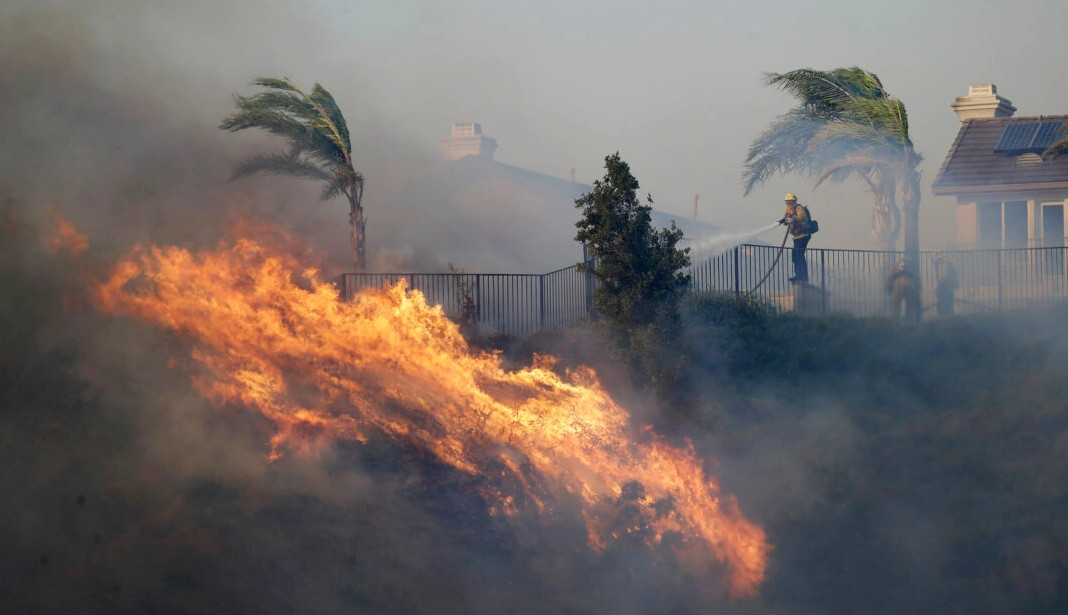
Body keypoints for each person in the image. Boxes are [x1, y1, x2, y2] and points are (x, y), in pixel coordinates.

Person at [779, 193, 813, 283]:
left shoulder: (799, 208)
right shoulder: (788, 209)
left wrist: (793, 219)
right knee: (797, 256)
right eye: (787, 202)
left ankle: (801, 277)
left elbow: (802, 218)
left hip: (803, 235)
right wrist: (783, 220)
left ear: (794, 201)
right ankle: (800, 276)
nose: (789, 204)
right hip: (797, 236)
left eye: (790, 202)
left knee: (798, 256)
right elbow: (786, 218)